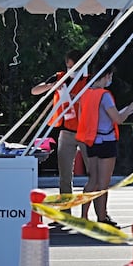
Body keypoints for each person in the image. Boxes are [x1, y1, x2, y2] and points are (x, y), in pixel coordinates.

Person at [75, 62, 133, 226]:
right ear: (106, 76)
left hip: (91, 140)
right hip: (106, 141)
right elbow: (117, 119)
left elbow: (82, 117)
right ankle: (102, 217)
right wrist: (129, 109)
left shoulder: (85, 94)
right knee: (103, 184)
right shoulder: (105, 96)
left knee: (92, 181)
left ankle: (83, 217)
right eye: (110, 76)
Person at [31, 49, 90, 216]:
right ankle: (66, 212)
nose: (71, 70)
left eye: (74, 67)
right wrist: (51, 86)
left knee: (94, 175)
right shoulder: (60, 78)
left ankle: (90, 213)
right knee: (65, 176)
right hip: (66, 132)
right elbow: (35, 90)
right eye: (69, 66)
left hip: (87, 133)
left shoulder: (90, 80)